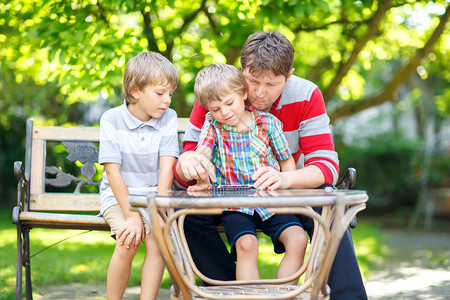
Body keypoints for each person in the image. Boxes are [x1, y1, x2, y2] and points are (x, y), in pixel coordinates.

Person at [175, 30, 367, 299]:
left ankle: (349, 297)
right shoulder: (219, 95)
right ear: (242, 71)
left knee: (331, 206)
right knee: (187, 215)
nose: (259, 93)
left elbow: (325, 166)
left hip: (288, 191)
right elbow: (188, 160)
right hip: (227, 193)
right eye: (252, 81)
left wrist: (286, 179)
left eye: (271, 84)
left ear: (288, 76)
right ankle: (228, 291)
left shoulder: (307, 95)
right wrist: (188, 164)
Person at [184, 63, 308, 283]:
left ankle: (284, 297)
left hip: (271, 199)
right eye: (215, 108)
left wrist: (291, 195)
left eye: (229, 103)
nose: (224, 112)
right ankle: (248, 295)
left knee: (298, 240)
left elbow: (286, 161)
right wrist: (199, 165)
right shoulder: (213, 125)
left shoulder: (268, 123)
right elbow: (202, 151)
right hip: (235, 203)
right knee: (246, 245)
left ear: (243, 93)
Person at [99, 51, 179, 300]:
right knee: (128, 238)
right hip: (118, 197)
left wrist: (158, 207)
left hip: (154, 199)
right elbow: (112, 172)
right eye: (159, 93)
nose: (166, 100)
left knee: (158, 240)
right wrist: (132, 216)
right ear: (135, 91)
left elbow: (167, 169)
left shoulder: (168, 118)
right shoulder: (111, 119)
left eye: (170, 94)